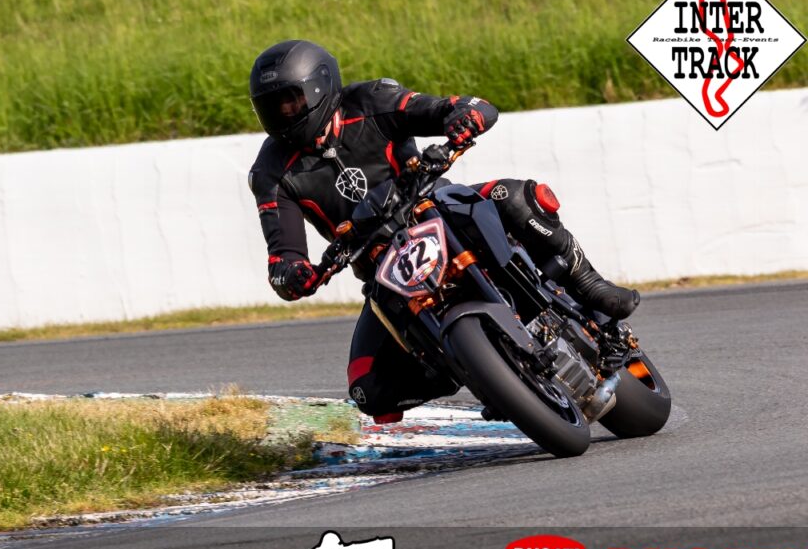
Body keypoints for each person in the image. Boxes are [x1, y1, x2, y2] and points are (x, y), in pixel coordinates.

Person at [247, 40, 640, 423]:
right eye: (272, 107)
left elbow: (465, 107)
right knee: (368, 389)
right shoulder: (270, 172)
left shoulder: (372, 100)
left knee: (516, 196)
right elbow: (283, 256)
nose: (283, 113)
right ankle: (474, 371)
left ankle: (589, 283)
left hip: (434, 207)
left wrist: (463, 120)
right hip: (380, 265)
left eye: (291, 100)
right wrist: (293, 274)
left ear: (320, 86)